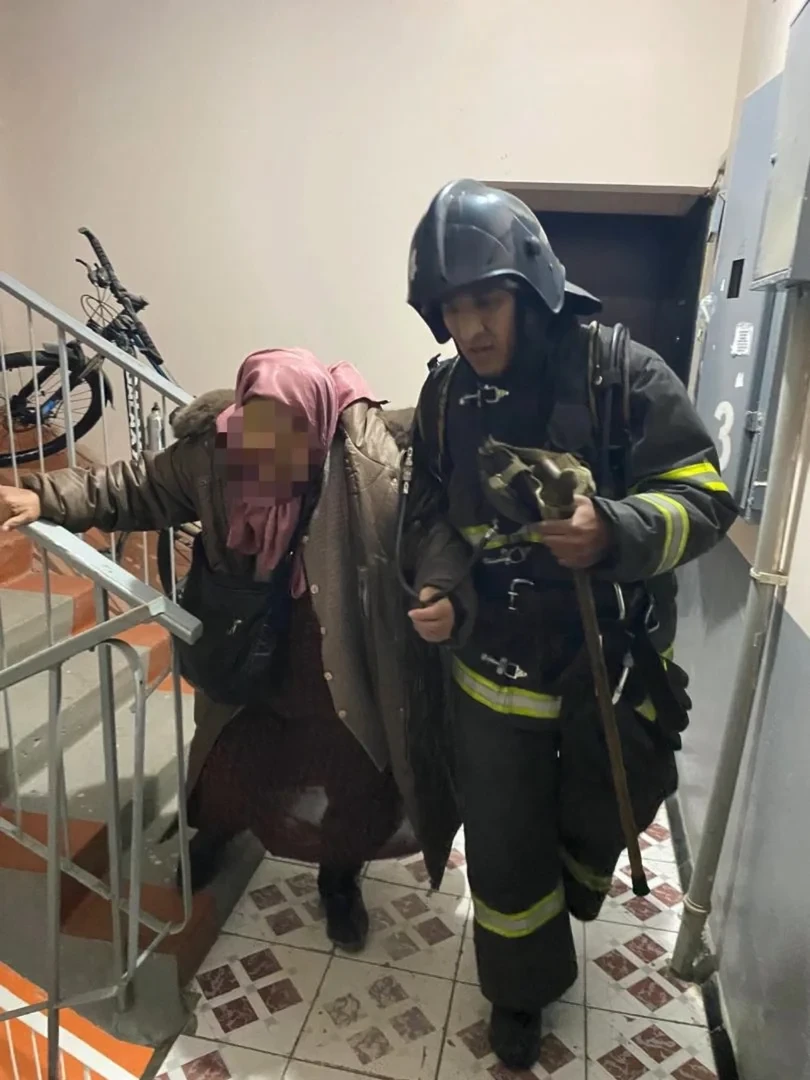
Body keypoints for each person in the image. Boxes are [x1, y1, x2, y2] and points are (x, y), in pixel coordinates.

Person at [400, 179, 738, 1069]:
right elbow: (429, 511)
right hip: (493, 675)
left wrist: (614, 530)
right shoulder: (442, 400)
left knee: (605, 813)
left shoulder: (622, 374)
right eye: (454, 308)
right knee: (506, 849)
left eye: (488, 300)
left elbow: (706, 499)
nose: (472, 327)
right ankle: (518, 992)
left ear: (533, 287)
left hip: (612, 667)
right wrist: (441, 586)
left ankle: (578, 886)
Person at [0, 347, 457, 953]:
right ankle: (215, 835)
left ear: (317, 422)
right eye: (258, 427)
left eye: (288, 431)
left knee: (353, 774)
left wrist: (441, 587)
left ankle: (338, 878)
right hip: (248, 647)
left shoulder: (371, 459)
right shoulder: (216, 453)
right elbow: (135, 487)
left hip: (342, 657)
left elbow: (433, 527)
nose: (268, 450)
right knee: (229, 762)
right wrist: (45, 496)